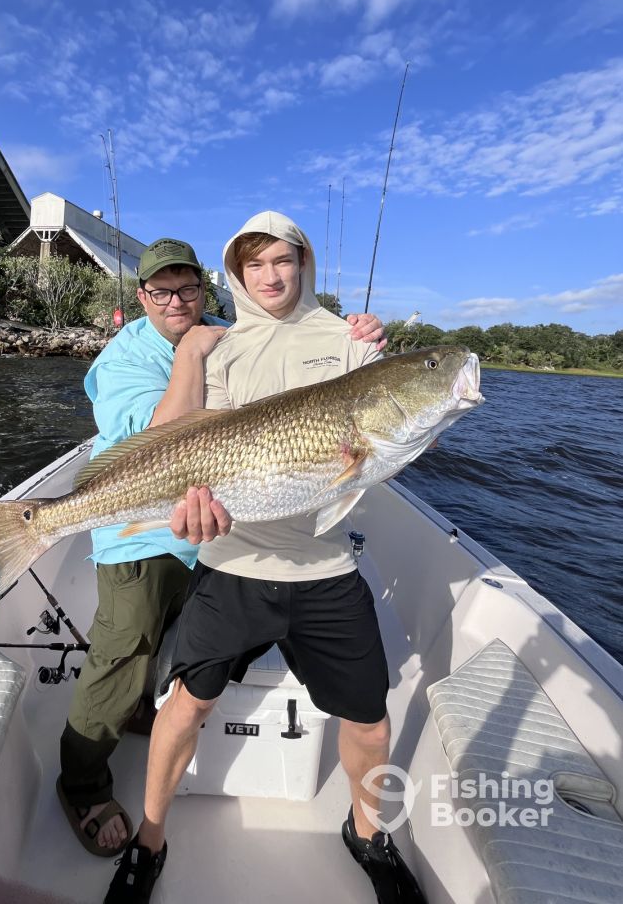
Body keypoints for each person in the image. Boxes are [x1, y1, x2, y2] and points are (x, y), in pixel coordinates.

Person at [104, 213, 425, 904]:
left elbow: (382, 434)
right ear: (236, 274)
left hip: (325, 568)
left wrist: (378, 346)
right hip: (233, 563)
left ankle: (368, 833)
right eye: (255, 265)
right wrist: (190, 505)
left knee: (371, 721)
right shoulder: (220, 347)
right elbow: (189, 443)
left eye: (283, 260)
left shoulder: (348, 340)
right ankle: (149, 838)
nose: (271, 276)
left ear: (304, 263)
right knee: (183, 707)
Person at [57, 235, 386, 857]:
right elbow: (157, 444)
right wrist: (189, 358)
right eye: (161, 291)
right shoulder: (127, 357)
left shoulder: (225, 332)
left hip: (215, 530)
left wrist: (358, 340)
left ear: (206, 289)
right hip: (141, 528)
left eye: (187, 288)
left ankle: (142, 712)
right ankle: (82, 782)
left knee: (173, 644)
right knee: (126, 649)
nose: (177, 302)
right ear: (141, 296)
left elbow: (285, 378)